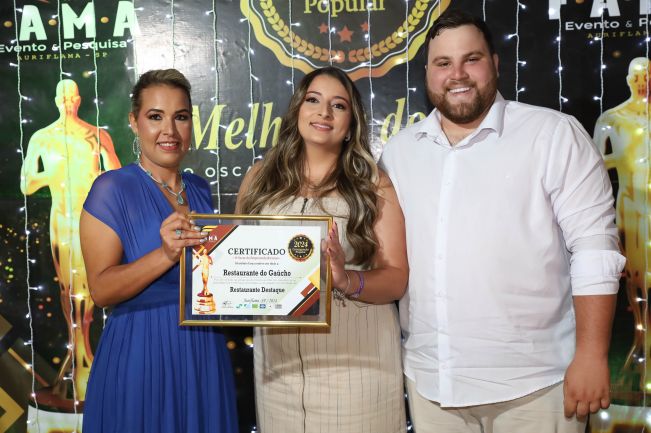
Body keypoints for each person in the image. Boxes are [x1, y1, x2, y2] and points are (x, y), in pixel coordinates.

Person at [379, 9, 626, 433]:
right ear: (428, 73)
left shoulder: (553, 134)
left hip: (538, 384)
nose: (457, 74)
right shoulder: (400, 153)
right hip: (431, 384)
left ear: (494, 63)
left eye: (471, 59)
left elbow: (595, 250)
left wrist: (591, 354)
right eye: (443, 63)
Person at [236, 66, 409, 433]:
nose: (324, 112)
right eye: (313, 100)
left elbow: (396, 279)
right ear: (298, 109)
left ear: (351, 124)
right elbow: (233, 262)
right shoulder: (259, 178)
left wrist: (347, 280)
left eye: (338, 105)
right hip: (278, 375)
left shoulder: (372, 185)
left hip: (356, 368)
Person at [80, 69, 238, 432]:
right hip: (142, 351)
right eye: (155, 117)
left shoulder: (200, 189)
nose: (169, 130)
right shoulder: (111, 189)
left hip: (203, 351)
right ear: (134, 122)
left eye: (180, 117)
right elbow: (101, 290)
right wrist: (165, 255)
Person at [20, 78, 121, 401]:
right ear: (55, 100)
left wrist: (96, 177)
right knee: (68, 289)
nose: (67, 101)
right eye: (62, 96)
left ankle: (84, 359)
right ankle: (79, 358)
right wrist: (51, 175)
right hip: (61, 221)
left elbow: (116, 174)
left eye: (72, 96)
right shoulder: (42, 137)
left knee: (89, 289)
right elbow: (26, 183)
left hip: (92, 220)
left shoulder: (96, 135)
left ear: (79, 100)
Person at [593, 57, 650, 397]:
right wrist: (626, 160)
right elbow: (594, 165)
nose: (643, 82)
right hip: (631, 208)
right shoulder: (613, 118)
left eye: (648, 76)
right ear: (629, 79)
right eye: (638, 76)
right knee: (637, 280)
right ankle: (641, 344)